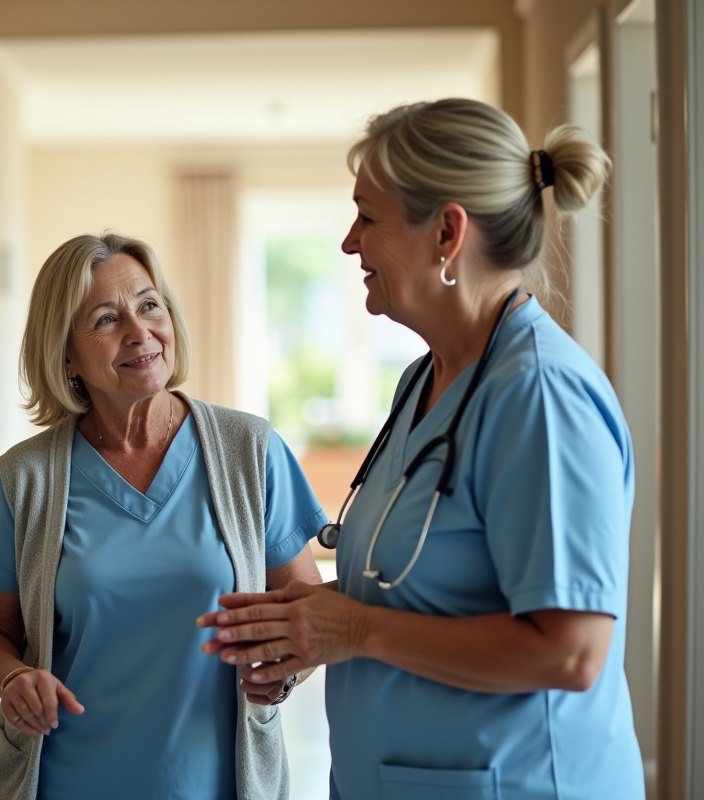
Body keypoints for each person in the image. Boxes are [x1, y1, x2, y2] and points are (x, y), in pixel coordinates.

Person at [198, 98, 645, 799]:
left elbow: (571, 650)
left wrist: (352, 628)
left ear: (446, 232)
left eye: (367, 217)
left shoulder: (541, 397)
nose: (350, 243)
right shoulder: (426, 378)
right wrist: (302, 627)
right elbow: (423, 586)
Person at [0, 233, 328, 800]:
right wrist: (13, 678)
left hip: (218, 785)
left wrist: (281, 675)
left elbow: (308, 608)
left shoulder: (248, 450)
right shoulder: (25, 478)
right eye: (106, 319)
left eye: (149, 305)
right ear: (66, 357)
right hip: (68, 783)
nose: (139, 332)